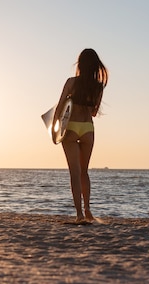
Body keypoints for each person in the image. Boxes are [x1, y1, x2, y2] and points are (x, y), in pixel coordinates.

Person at [54, 48, 108, 224]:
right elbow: (93, 112)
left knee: (74, 173)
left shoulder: (71, 82)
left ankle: (79, 214)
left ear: (80, 64)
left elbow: (60, 106)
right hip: (88, 129)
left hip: (70, 128)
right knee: (84, 172)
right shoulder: (98, 86)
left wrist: (55, 129)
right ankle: (88, 209)